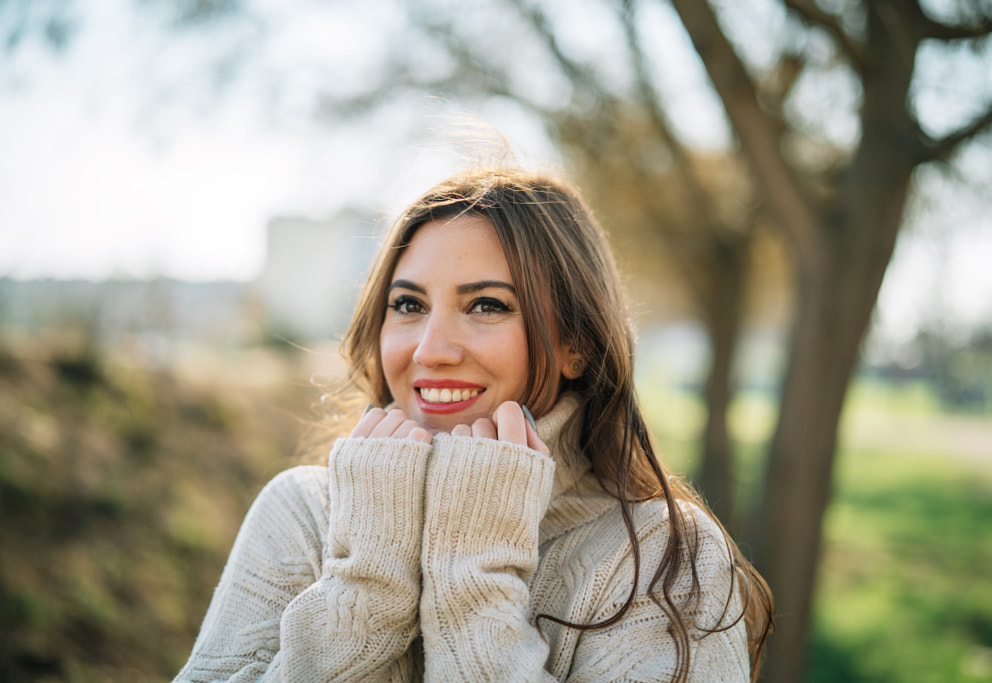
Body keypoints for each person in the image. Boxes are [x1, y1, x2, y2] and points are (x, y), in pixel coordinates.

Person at [174, 166, 773, 682]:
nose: (431, 349)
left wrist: (473, 588)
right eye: (408, 305)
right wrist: (363, 596)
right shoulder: (302, 514)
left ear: (577, 346)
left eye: (487, 305)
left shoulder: (661, 556)